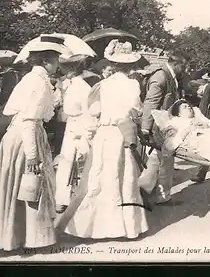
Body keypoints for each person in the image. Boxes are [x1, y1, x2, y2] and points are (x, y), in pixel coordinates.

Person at [0, 39, 64, 253]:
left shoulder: (37, 79)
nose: (58, 64)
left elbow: (42, 115)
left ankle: (19, 237)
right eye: (56, 60)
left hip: (24, 133)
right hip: (25, 136)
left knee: (19, 185)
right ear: (46, 61)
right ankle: (21, 238)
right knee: (28, 183)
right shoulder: (37, 81)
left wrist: (54, 101)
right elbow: (29, 119)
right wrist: (31, 154)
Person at [56, 41, 148, 240]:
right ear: (130, 65)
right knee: (123, 177)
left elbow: (94, 111)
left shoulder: (102, 84)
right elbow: (136, 110)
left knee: (99, 176)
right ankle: (125, 227)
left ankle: (92, 225)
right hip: (120, 132)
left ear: (113, 64)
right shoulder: (132, 84)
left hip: (103, 134)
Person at [139, 52, 188, 204]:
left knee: (163, 163)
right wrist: (145, 129)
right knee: (158, 163)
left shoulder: (170, 76)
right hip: (157, 128)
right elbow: (150, 103)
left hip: (164, 126)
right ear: (175, 64)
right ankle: (146, 193)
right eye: (183, 66)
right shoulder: (161, 77)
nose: (185, 70)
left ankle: (158, 195)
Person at [54, 55, 94, 214]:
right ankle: (62, 198)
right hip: (70, 125)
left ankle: (76, 198)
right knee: (66, 162)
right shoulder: (66, 85)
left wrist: (87, 132)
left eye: (67, 69)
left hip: (80, 126)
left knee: (77, 162)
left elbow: (87, 111)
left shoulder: (83, 88)